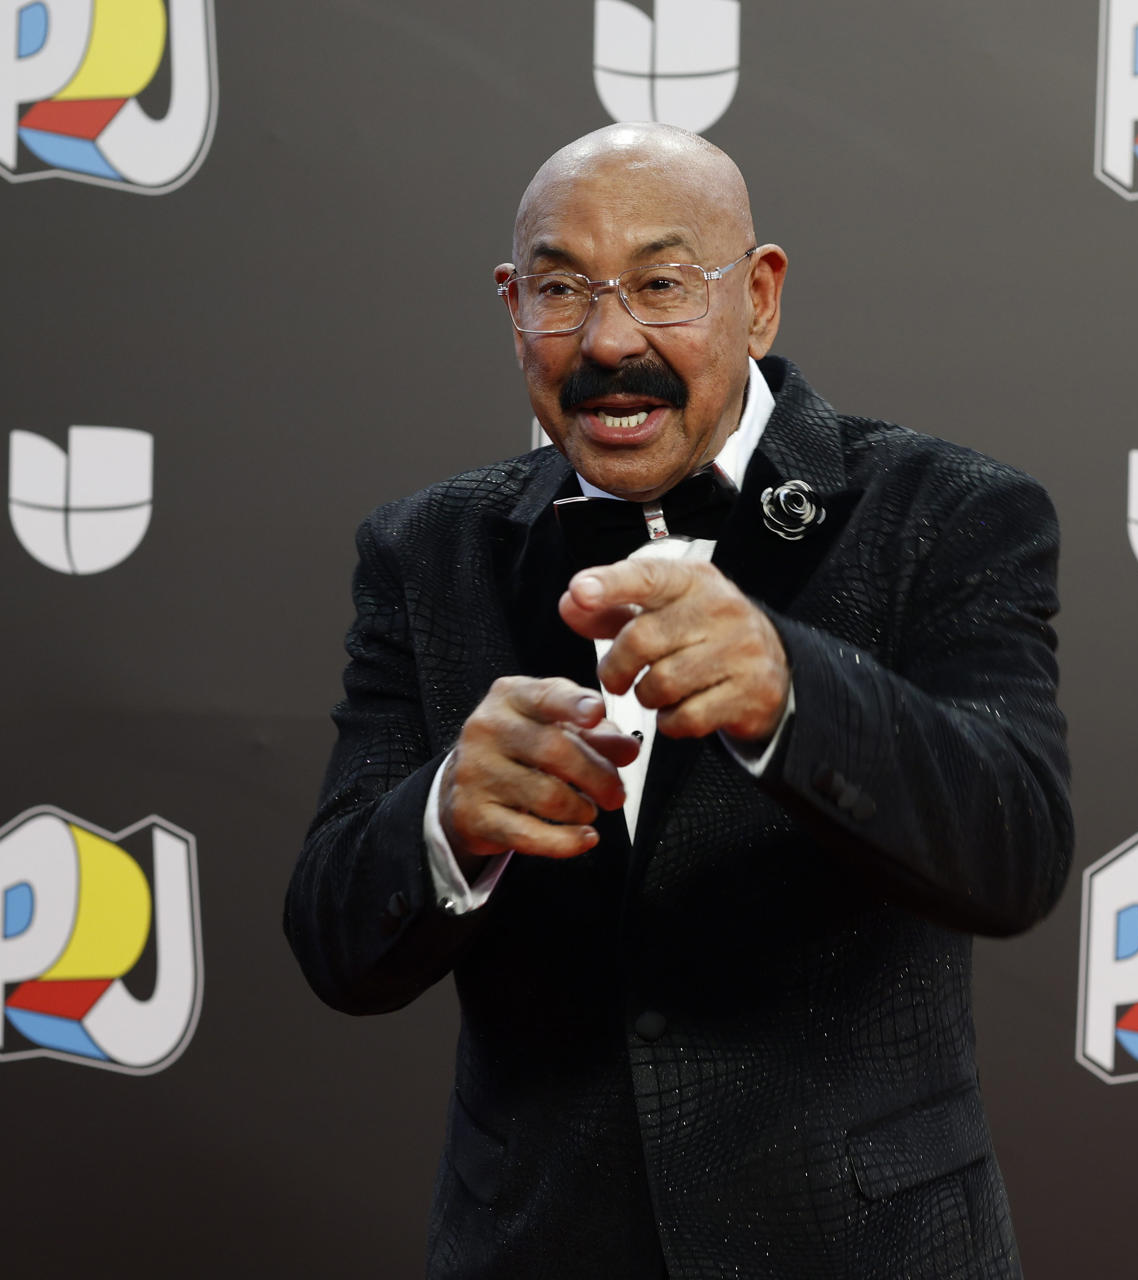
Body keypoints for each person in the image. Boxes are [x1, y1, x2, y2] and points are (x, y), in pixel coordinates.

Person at [284, 123, 1072, 1279]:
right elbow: (335, 940)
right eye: (562, 288)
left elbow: (1016, 845)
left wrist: (794, 696)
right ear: (513, 307)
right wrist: (446, 811)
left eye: (662, 284)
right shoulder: (423, 550)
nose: (609, 340)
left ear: (758, 298)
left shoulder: (946, 513)